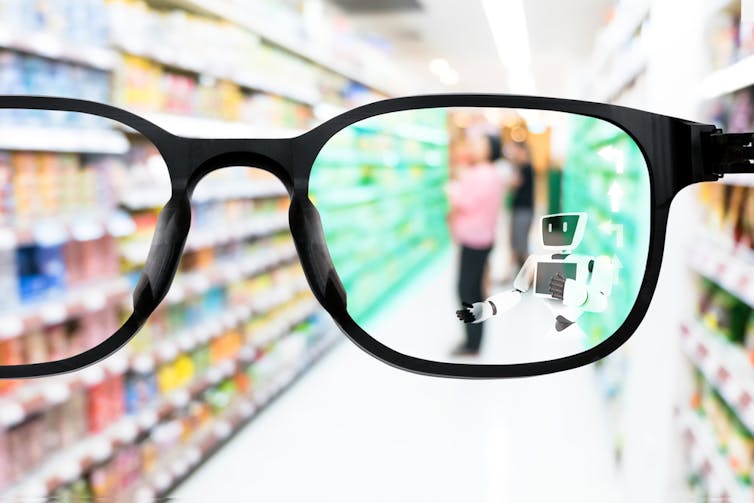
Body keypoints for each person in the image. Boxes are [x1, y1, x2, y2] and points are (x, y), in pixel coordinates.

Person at [446, 134, 504, 356]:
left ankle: (472, 344)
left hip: (475, 240)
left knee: (466, 291)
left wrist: (453, 188)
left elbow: (463, 202)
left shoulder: (481, 175)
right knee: (473, 289)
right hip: (481, 239)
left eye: (480, 143)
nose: (474, 146)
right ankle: (474, 341)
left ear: (491, 150)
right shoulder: (490, 174)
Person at [507, 139, 534, 271]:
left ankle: (532, 277)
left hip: (523, 211)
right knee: (517, 245)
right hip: (521, 210)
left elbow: (514, 183)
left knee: (521, 247)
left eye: (516, 151)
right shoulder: (523, 167)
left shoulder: (526, 168)